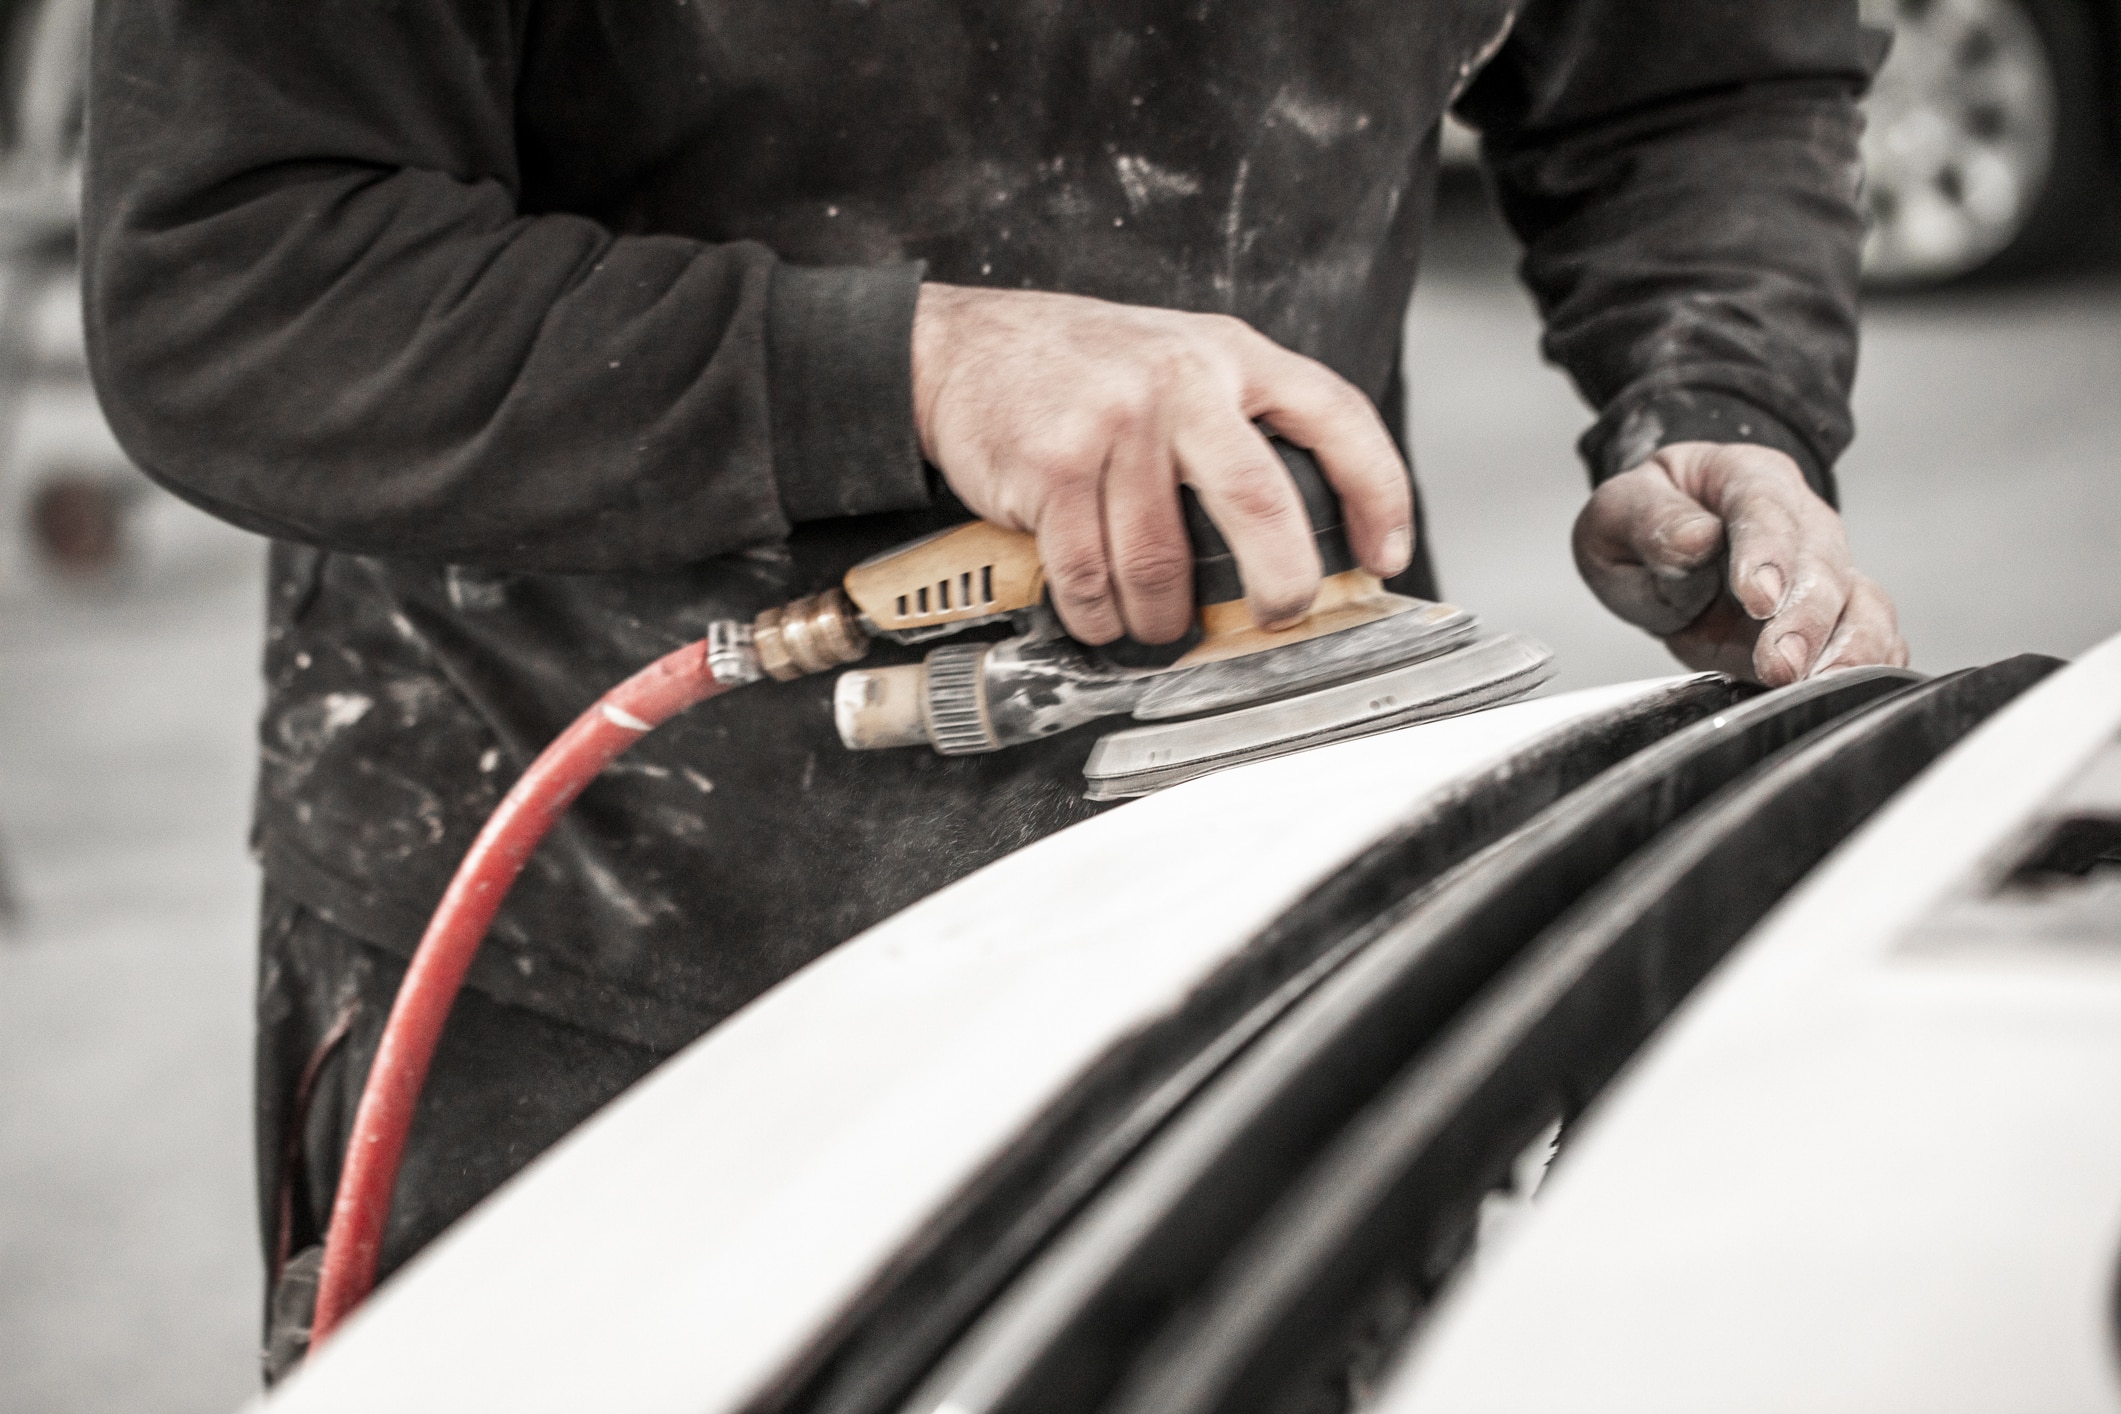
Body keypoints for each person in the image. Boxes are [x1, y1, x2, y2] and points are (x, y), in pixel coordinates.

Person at [82, 0, 1908, 1371]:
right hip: (596, 935)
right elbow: (233, 271)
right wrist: (912, 368)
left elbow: (1703, 71)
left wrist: (1716, 397)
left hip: (1261, 867)